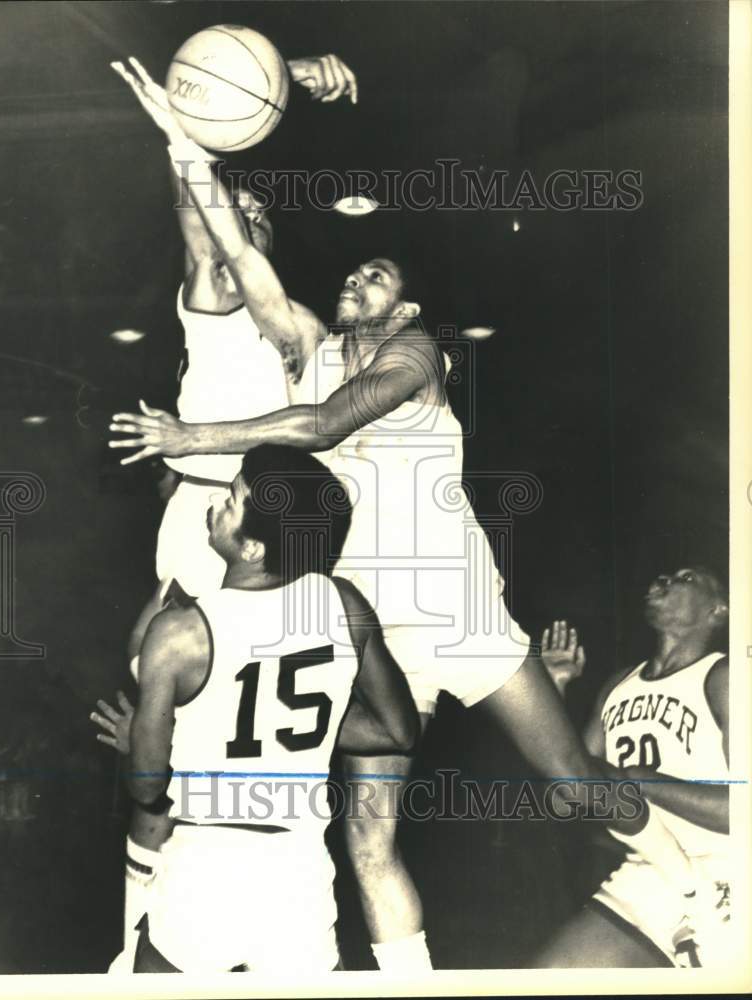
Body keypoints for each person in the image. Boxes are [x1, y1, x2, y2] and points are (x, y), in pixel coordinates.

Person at [107, 58, 701, 973]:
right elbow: (241, 253)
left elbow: (320, 425)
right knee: (369, 840)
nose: (358, 281)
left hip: (457, 608)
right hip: (372, 621)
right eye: (354, 274)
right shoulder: (309, 343)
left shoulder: (419, 356)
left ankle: (687, 850)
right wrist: (187, 146)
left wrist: (190, 433)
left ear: (408, 306)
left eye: (378, 276)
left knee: (573, 782)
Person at [94, 53, 359, 971]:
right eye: (220, 211)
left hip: (258, 523)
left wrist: (186, 440)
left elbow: (235, 244)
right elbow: (208, 237)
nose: (225, 224)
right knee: (153, 683)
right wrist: (183, 135)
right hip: (203, 510)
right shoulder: (209, 302)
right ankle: (143, 897)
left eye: (247, 215)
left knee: (230, 709)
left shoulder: (300, 336)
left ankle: (223, 884)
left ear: (271, 235)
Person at [119, 443, 418, 972]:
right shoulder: (343, 604)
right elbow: (398, 732)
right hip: (298, 873)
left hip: (204, 872)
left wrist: (145, 740)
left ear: (254, 547)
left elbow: (146, 787)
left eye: (231, 499)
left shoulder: (180, 633)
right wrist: (304, 725)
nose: (216, 504)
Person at [535, 566, 730, 968]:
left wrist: (637, 779)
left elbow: (740, 811)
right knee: (546, 980)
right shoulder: (618, 685)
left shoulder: (725, 677)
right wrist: (555, 686)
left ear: (719, 610)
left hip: (730, 871)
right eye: (663, 576)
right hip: (648, 872)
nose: (664, 580)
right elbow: (565, 798)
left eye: (687, 577)